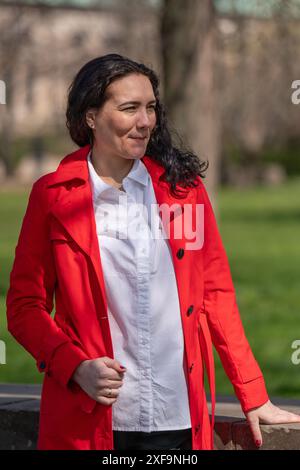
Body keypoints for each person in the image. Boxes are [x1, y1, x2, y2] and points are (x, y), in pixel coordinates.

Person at [6, 54, 300, 451]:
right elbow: (25, 306)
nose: (145, 121)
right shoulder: (53, 196)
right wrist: (73, 365)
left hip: (177, 415)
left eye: (150, 108)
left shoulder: (183, 192)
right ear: (90, 117)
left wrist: (253, 392)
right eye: (129, 108)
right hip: (91, 418)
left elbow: (215, 295)